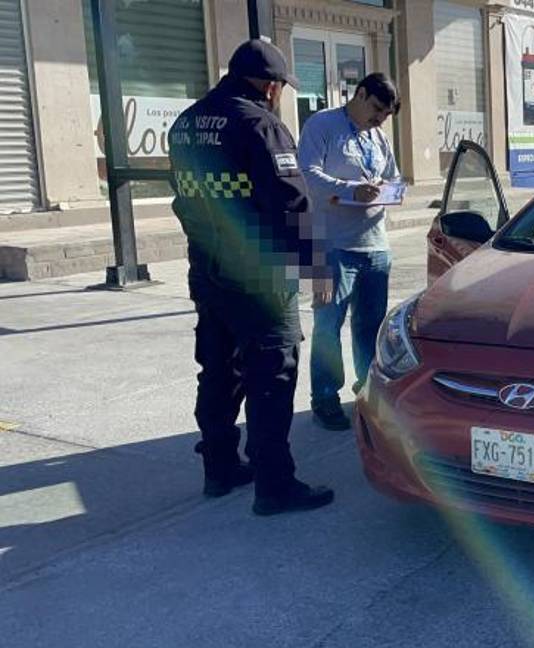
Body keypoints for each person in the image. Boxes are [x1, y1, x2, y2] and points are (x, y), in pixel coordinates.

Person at [168, 39, 334, 516]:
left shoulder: (187, 124)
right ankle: (275, 486)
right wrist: (316, 266)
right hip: (260, 280)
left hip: (209, 272)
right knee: (271, 377)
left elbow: (184, 200)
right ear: (269, 85)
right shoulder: (259, 123)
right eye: (281, 86)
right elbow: (291, 204)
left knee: (219, 371)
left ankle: (219, 469)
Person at [298, 74, 403, 431]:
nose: (379, 119)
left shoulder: (379, 137)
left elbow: (393, 178)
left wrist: (388, 190)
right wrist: (350, 191)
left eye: (386, 115)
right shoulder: (322, 125)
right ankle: (325, 398)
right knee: (328, 325)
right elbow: (307, 175)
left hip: (375, 245)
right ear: (360, 94)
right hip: (331, 245)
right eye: (376, 109)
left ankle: (368, 392)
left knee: (370, 327)